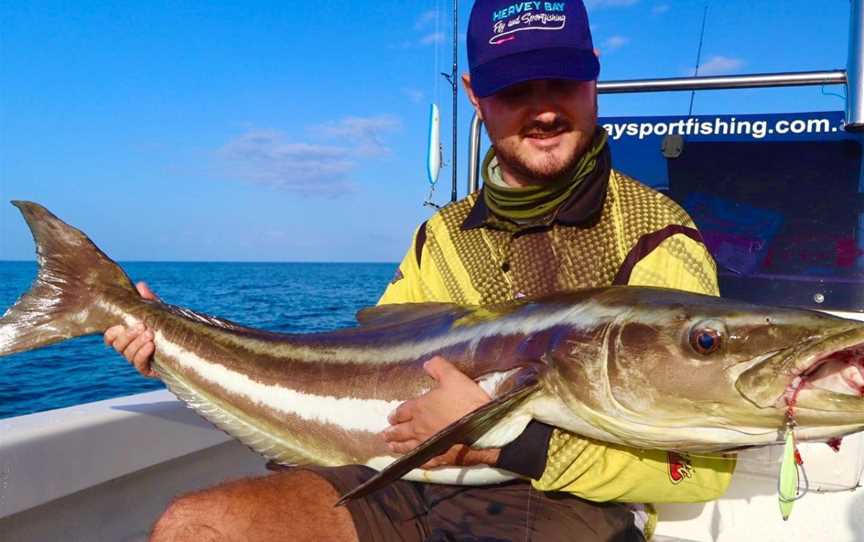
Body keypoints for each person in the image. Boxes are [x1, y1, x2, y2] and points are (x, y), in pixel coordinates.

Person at [105, 1, 735, 540]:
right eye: (515, 90)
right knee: (199, 526)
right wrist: (167, 342)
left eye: (563, 82)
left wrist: (502, 443)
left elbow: (700, 467)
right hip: (410, 477)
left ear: (594, 81)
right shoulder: (441, 237)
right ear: (474, 97)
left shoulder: (657, 237)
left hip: (573, 504)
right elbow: (366, 368)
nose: (543, 110)